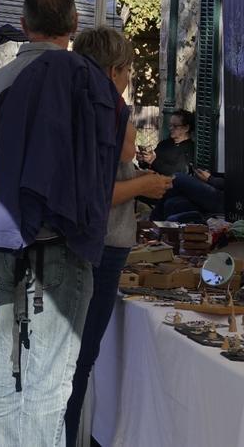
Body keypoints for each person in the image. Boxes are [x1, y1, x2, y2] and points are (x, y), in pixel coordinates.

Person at [0, 0, 122, 446]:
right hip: (60, 244)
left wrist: (17, 215)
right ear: (75, 26)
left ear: (23, 25)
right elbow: (100, 170)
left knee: (9, 366)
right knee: (50, 378)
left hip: (8, 239)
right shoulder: (83, 77)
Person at [64, 27, 172, 447]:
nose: (129, 79)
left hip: (96, 244)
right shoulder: (105, 110)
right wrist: (144, 185)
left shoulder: (83, 105)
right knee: (77, 362)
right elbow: (100, 192)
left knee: (73, 362)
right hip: (101, 245)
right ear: (114, 71)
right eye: (127, 70)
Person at [138, 109, 195, 176]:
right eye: (170, 125)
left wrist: (153, 161)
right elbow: (148, 165)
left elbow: (177, 173)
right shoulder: (164, 144)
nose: (170, 128)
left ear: (186, 128)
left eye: (175, 126)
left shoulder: (189, 149)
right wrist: (143, 160)